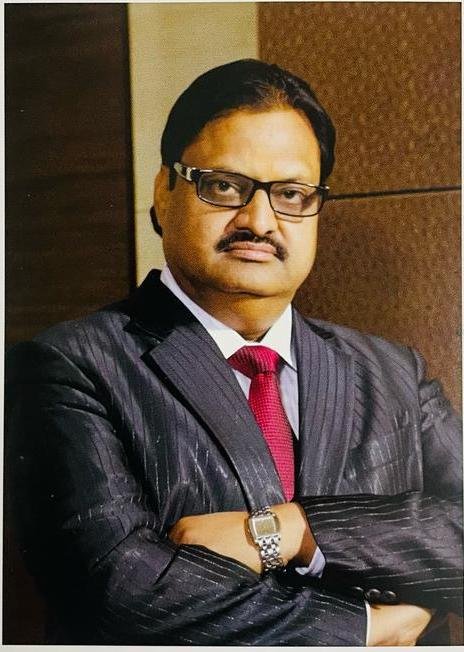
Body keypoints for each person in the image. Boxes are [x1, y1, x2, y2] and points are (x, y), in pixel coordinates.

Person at [6, 59, 462, 646]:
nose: (259, 220)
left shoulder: (394, 372)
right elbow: (119, 589)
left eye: (291, 194)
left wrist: (295, 529)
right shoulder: (69, 366)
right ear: (163, 192)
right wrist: (362, 629)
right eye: (224, 185)